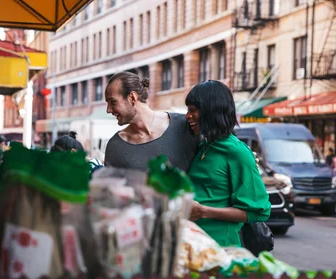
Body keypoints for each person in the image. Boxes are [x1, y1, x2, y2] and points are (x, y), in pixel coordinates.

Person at [185, 80, 271, 247]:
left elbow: (258, 211)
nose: (187, 116)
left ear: (211, 112)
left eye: (193, 111)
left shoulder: (236, 151)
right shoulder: (205, 146)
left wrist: (204, 211)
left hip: (221, 249)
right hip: (194, 245)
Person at [104, 71, 198, 172]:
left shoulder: (185, 125)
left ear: (132, 97)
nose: (108, 110)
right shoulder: (115, 147)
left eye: (113, 102)